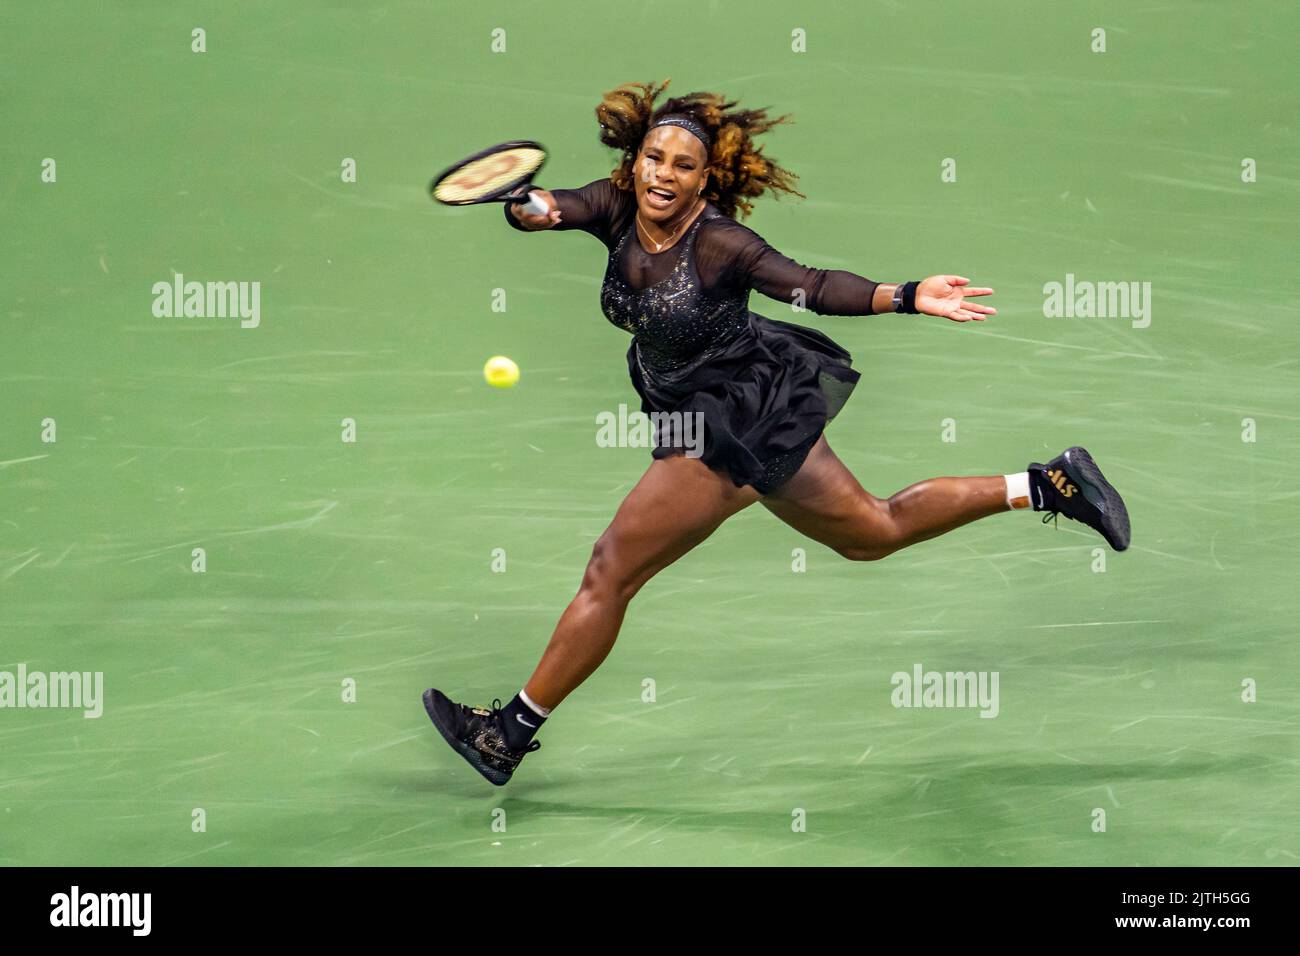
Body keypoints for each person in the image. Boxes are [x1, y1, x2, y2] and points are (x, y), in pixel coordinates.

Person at [423, 80, 1130, 786]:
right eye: (654, 159)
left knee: (612, 568)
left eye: (682, 166)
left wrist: (909, 295)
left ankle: (506, 734)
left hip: (732, 418)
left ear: (706, 180)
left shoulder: (722, 243)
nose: (663, 175)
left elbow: (812, 286)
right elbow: (557, 208)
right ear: (634, 161)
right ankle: (1047, 485)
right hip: (714, 403)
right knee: (870, 534)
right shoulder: (614, 206)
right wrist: (535, 211)